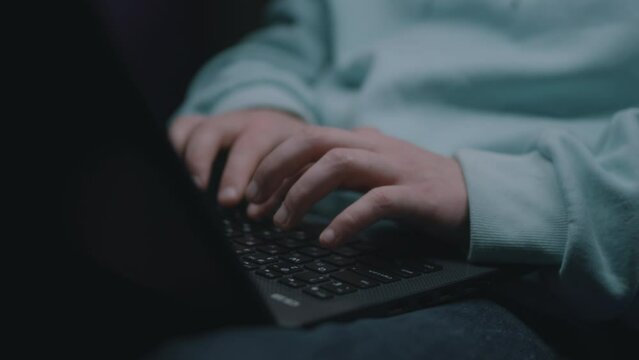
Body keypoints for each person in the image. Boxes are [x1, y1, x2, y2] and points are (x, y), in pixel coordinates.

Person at [163, 0, 638, 358]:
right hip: (289, 217)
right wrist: (260, 100)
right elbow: (292, 38)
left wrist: (497, 196)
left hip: (526, 277)